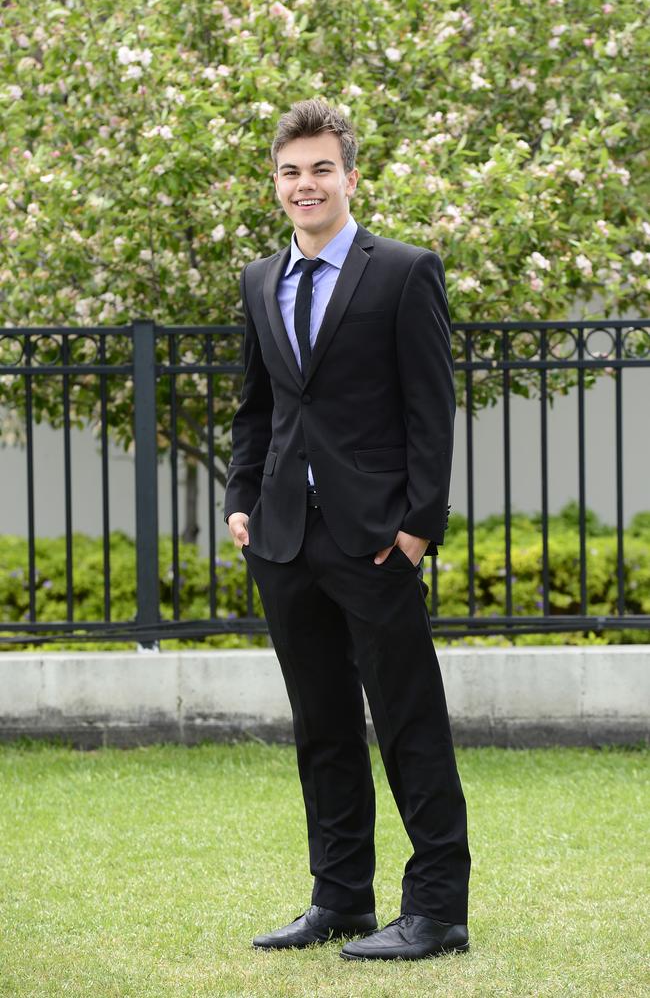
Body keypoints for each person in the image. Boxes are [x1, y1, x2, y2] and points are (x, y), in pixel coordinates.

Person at [224, 99, 470, 962]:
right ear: (276, 182)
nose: (306, 184)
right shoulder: (260, 282)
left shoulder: (404, 272)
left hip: (375, 541)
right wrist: (239, 501)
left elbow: (431, 412)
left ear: (350, 177)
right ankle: (341, 900)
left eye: (322, 168)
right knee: (321, 724)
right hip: (285, 542)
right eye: (291, 171)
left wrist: (416, 530)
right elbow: (257, 409)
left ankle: (437, 908)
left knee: (408, 722)